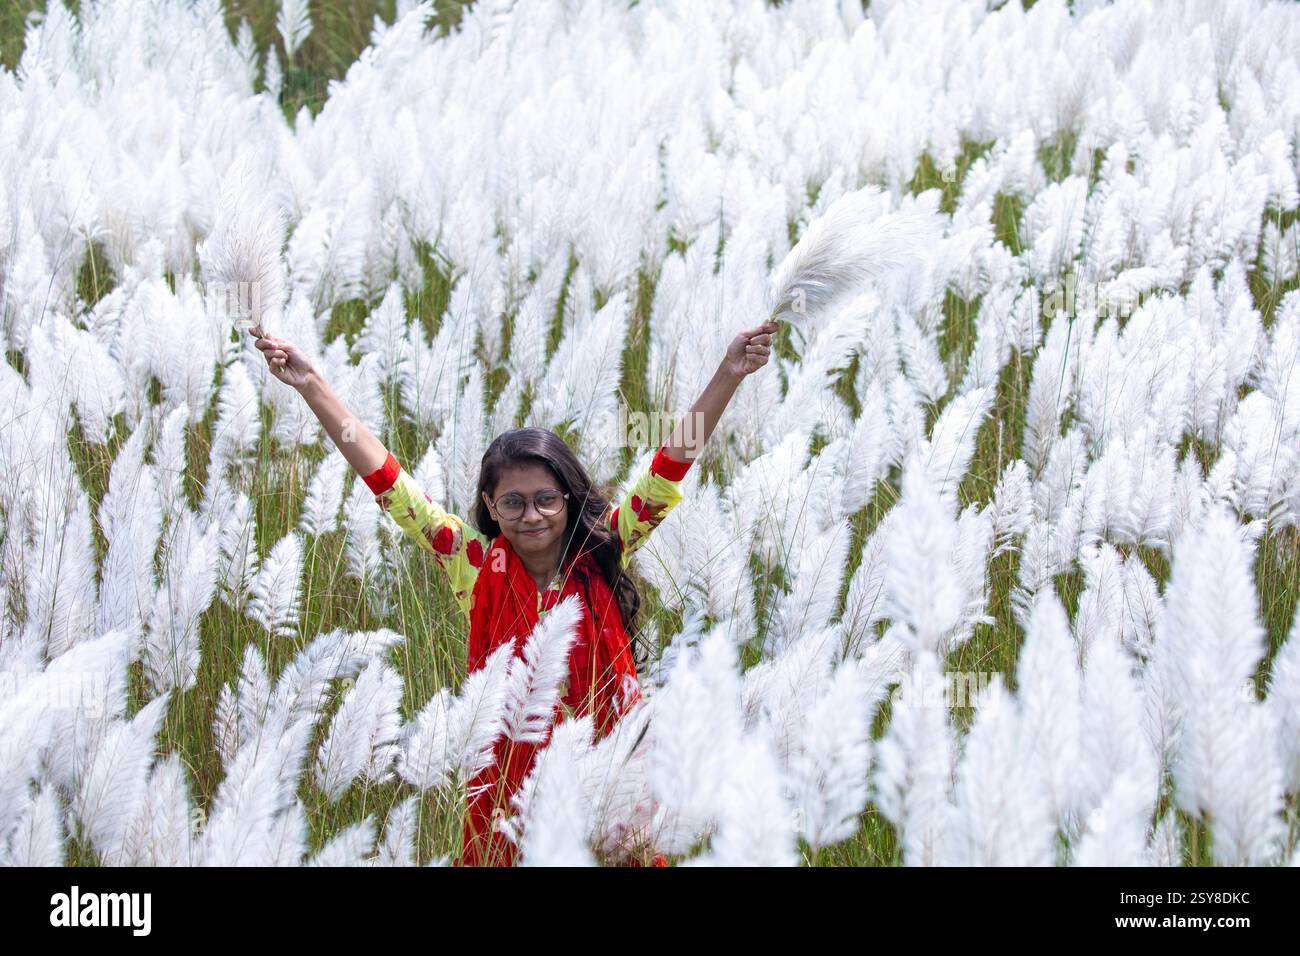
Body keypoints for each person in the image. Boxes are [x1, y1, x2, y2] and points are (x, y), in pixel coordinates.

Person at [253, 316, 778, 865]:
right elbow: (388, 480)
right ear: (490, 505)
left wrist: (729, 374)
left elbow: (668, 469)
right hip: (507, 798)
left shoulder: (604, 553)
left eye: (547, 498)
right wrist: (312, 384)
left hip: (608, 786)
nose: (532, 515)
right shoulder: (473, 564)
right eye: (513, 502)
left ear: (570, 499)